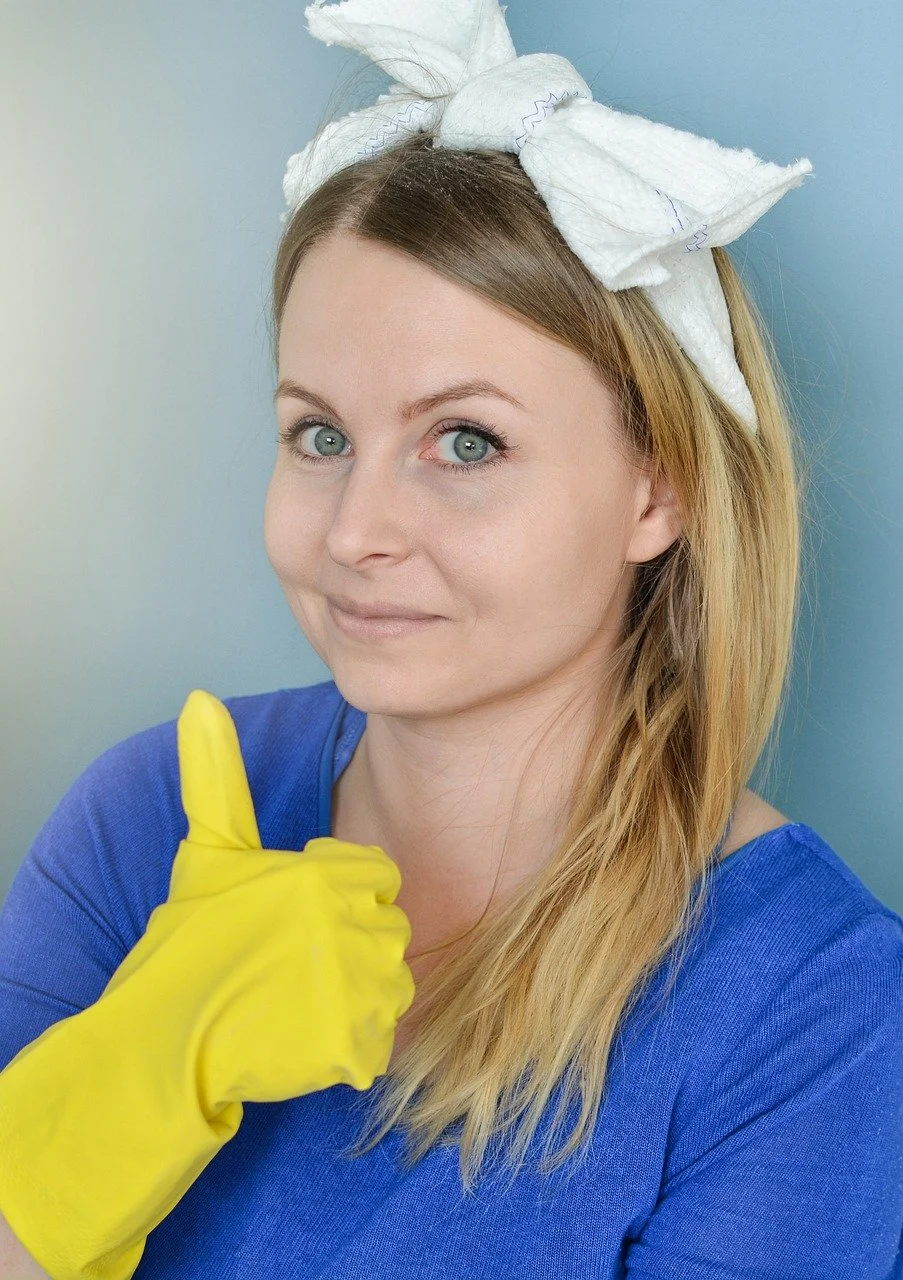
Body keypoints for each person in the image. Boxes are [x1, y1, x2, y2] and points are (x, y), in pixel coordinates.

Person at [1, 2, 902, 1277]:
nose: (357, 528)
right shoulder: (145, 818)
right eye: (320, 434)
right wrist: (144, 1064)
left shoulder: (810, 1008)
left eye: (465, 441)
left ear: (661, 489)